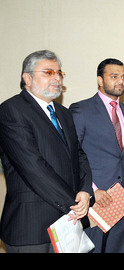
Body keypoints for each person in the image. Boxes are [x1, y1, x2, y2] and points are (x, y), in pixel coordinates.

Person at [0, 50, 94, 253]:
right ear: (27, 78)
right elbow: (33, 167)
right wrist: (74, 203)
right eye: (48, 72)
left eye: (59, 73)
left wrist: (86, 192)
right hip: (31, 227)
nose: (56, 78)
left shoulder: (63, 113)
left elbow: (79, 155)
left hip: (68, 225)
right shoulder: (11, 110)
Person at [69, 58, 124, 253]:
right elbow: (72, 155)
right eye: (114, 76)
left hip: (123, 198)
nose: (121, 81)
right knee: (92, 249)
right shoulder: (81, 110)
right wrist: (92, 189)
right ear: (100, 80)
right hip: (93, 200)